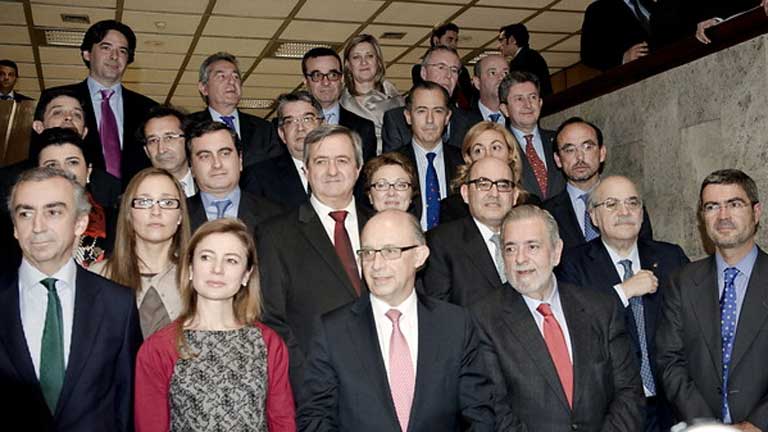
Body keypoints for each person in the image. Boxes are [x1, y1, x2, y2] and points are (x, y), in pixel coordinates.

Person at [297, 210, 496, 431]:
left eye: (390, 251)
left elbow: (480, 413)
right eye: (368, 253)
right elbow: (313, 418)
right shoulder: (333, 331)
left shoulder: (455, 324)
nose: (376, 265)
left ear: (419, 256)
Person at [472, 204, 645, 431]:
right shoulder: (483, 319)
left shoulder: (601, 309)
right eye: (510, 249)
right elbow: (495, 411)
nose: (520, 259)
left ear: (556, 252)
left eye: (532, 246)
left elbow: (629, 393)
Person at [0, 167, 141, 431]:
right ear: (15, 227)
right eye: (25, 213)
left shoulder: (118, 305)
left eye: (53, 212)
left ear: (80, 223)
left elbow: (126, 406)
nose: (37, 227)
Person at [134, 218, 295, 431]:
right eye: (206, 257)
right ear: (190, 268)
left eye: (231, 260)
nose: (217, 269)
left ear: (246, 275)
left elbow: (283, 422)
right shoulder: (159, 348)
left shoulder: (269, 343)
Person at [557, 175, 689, 432]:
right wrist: (623, 292)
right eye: (611, 204)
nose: (624, 211)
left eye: (632, 202)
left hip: (670, 409)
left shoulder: (671, 257)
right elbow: (575, 328)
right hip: (612, 412)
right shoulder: (572, 264)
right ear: (593, 217)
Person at [258, 124, 374, 390]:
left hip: (385, 383)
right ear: (306, 170)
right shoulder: (275, 235)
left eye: (342, 160)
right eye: (321, 161)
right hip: (314, 386)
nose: (332, 171)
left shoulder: (382, 226)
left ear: (358, 168)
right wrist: (308, 378)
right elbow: (271, 318)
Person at [657, 169, 768, 430]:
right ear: (702, 217)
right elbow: (669, 360)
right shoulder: (681, 282)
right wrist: (708, 426)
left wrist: (757, 423)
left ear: (756, 212)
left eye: (734, 204)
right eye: (712, 207)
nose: (723, 216)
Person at [38, 20, 157, 189]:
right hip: (76, 195)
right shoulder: (58, 100)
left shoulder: (148, 108)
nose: (114, 56)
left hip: (135, 197)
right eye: (106, 47)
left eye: (122, 51)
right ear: (87, 54)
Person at [89, 168, 190, 338]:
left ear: (180, 216)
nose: (156, 212)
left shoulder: (198, 277)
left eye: (167, 202)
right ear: (129, 214)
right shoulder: (98, 276)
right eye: (144, 202)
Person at [544, 117, 653, 249]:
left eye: (588, 147)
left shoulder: (630, 204)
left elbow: (646, 250)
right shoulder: (546, 213)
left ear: (602, 153)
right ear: (558, 159)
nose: (579, 157)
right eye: (569, 150)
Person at [423, 157, 519, 306]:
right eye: (483, 184)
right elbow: (439, 310)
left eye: (503, 185)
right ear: (465, 193)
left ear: (515, 196)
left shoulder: (530, 237)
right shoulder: (440, 242)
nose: (494, 193)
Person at [32, 127, 116, 267]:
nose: (63, 171)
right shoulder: (19, 225)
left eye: (72, 162)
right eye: (51, 165)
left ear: (88, 171)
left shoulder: (117, 223)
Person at [185, 120, 282, 233]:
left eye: (225, 153)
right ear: (191, 167)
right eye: (205, 156)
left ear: (240, 160)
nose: (217, 164)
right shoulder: (178, 214)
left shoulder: (276, 215)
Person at [188, 52, 281, 168]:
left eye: (235, 77)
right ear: (204, 88)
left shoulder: (264, 130)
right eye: (222, 76)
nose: (232, 82)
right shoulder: (187, 127)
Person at [382, 45, 483, 153]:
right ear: (424, 73)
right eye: (441, 67)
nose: (448, 75)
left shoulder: (472, 122)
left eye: (454, 70)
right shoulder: (396, 119)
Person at [395, 81, 463, 230]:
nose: (430, 120)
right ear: (408, 116)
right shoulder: (392, 164)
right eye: (421, 111)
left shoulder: (464, 162)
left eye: (438, 111)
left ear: (447, 117)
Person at [242, 91, 323, 209]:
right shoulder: (259, 177)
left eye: (307, 119)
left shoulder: (345, 168)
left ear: (322, 126)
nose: (300, 128)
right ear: (282, 134)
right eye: (290, 122)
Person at [440, 121, 525, 223]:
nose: (488, 155)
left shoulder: (529, 205)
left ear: (510, 154)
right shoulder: (452, 209)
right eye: (478, 150)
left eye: (495, 148)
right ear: (469, 159)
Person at [302, 47, 377, 162]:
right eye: (317, 75)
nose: (326, 82)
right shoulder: (289, 127)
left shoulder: (364, 128)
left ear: (341, 79)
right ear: (305, 81)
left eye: (333, 75)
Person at [499, 71, 565, 200]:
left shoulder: (559, 140)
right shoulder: (499, 147)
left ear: (540, 103)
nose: (528, 105)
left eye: (533, 97)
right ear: (505, 109)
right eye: (519, 99)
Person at [340, 34, 404, 153]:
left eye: (369, 56)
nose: (364, 62)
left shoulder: (400, 103)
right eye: (356, 57)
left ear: (378, 61)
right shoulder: (339, 104)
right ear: (348, 64)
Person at [411, 23, 476, 110]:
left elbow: (469, 98)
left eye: (456, 41)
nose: (454, 44)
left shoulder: (463, 71)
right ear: (436, 41)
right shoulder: (418, 69)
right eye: (449, 39)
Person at [137, 105, 195, 197]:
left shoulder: (211, 183)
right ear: (146, 151)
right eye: (153, 140)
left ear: (188, 142)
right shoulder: (136, 195)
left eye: (169, 138)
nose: (161, 149)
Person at [580, 0, 652, 71]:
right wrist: (623, 58)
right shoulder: (598, 9)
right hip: (630, 74)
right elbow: (588, 55)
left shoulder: (650, 4)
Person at [499, 24, 553, 97]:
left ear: (512, 40)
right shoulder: (531, 55)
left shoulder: (523, 60)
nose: (499, 45)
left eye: (501, 40)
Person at [470, 54, 509, 124]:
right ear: (477, 82)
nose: (501, 77)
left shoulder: (520, 117)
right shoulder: (461, 121)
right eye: (493, 73)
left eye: (505, 73)